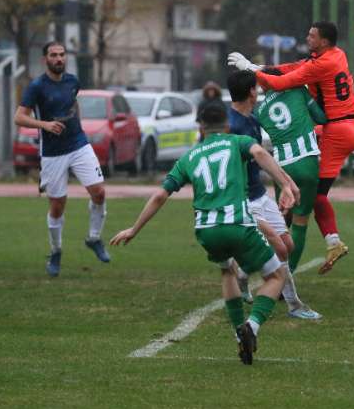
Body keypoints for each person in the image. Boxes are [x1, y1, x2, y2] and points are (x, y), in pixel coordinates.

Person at [110, 100, 300, 365]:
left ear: (200, 127)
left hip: (206, 231)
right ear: (226, 124)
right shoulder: (237, 142)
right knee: (276, 275)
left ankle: (238, 336)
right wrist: (286, 184)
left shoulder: (188, 157)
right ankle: (252, 326)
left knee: (226, 270)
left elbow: (160, 195)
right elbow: (260, 153)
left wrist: (134, 228)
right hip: (238, 224)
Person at [228, 20, 354, 274]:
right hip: (352, 124)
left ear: (323, 40)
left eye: (312, 36)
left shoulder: (260, 109)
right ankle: (331, 241)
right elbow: (292, 74)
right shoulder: (335, 56)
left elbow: (281, 80)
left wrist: (250, 69)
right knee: (308, 202)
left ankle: (324, 243)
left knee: (305, 203)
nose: (308, 38)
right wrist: (260, 69)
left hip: (292, 158)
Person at [226, 69, 320, 321]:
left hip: (258, 194)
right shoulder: (232, 126)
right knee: (279, 247)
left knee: (287, 244)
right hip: (241, 199)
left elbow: (264, 159)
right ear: (251, 93)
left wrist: (286, 184)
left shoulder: (252, 119)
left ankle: (244, 275)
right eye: (256, 88)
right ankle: (294, 304)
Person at [15, 41, 109, 277]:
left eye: (62, 54)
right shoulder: (37, 86)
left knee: (99, 192)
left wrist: (77, 124)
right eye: (53, 55)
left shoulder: (72, 81)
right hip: (53, 153)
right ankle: (56, 251)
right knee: (57, 205)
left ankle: (94, 238)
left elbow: (73, 103)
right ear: (45, 59)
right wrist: (44, 124)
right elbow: (19, 117)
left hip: (78, 144)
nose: (59, 59)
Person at [251, 76, 327, 281]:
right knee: (300, 223)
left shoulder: (259, 110)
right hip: (306, 161)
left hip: (281, 167)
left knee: (281, 222)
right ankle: (286, 278)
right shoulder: (297, 90)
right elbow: (321, 118)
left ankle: (262, 269)